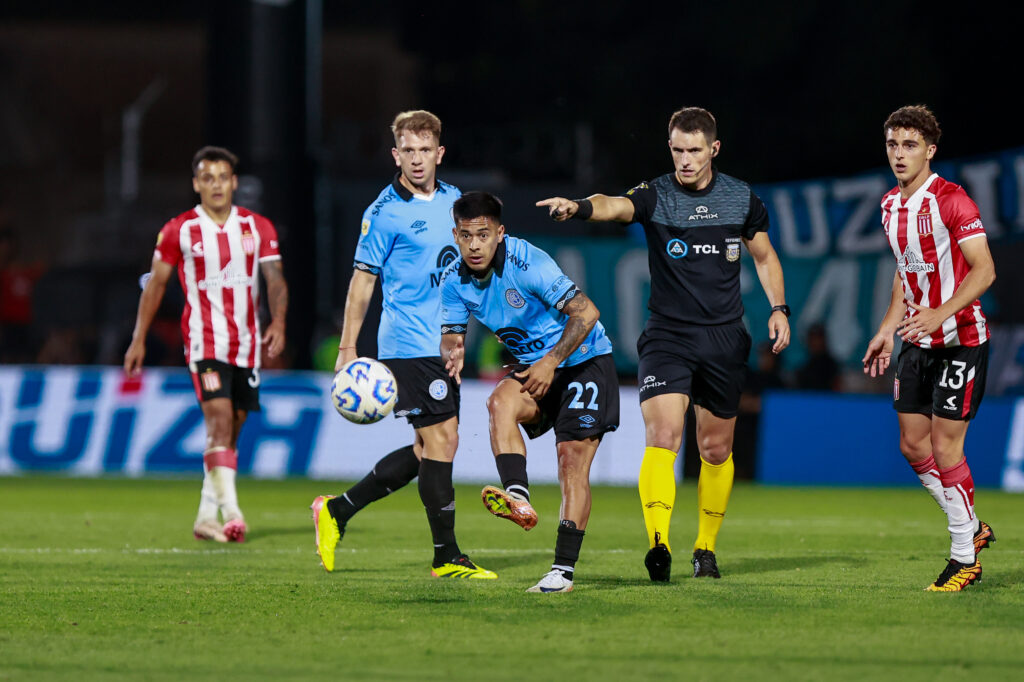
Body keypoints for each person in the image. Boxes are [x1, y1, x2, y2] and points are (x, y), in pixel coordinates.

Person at [538, 106, 790, 582]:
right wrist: (581, 207)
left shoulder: (742, 199)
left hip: (724, 339)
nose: (685, 160)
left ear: (714, 149)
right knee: (664, 437)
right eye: (677, 150)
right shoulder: (657, 195)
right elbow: (615, 204)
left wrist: (779, 309)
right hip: (667, 337)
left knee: (715, 449)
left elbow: (765, 256)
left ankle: (705, 549)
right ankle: (659, 543)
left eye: (694, 150)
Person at [310, 111, 495, 580]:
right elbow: (361, 282)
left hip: (445, 345)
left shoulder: (456, 204)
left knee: (424, 450)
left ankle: (338, 511)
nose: (416, 160)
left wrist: (463, 335)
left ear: (439, 153)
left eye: (424, 150)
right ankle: (446, 555)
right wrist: (349, 347)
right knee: (443, 439)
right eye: (406, 151)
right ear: (396, 154)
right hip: (407, 344)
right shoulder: (383, 213)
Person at [440, 191, 619, 593]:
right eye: (466, 236)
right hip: (540, 368)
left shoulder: (528, 262)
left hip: (584, 361)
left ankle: (562, 572)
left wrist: (551, 361)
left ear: (499, 234)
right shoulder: (454, 281)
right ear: (455, 234)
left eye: (483, 235)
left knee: (571, 461)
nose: (474, 245)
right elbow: (451, 336)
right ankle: (517, 496)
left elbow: (587, 312)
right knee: (498, 401)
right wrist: (453, 352)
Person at [862, 105, 996, 592]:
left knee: (945, 446)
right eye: (894, 145)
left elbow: (984, 269)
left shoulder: (952, 200)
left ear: (930, 150)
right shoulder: (888, 207)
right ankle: (973, 527)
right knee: (913, 445)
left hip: (960, 340)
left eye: (910, 145)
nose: (900, 154)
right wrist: (885, 328)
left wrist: (942, 313)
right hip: (917, 339)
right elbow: (907, 272)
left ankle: (965, 556)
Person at [124, 146, 288, 543]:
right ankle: (231, 513)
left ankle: (204, 515)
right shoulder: (178, 230)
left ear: (233, 182)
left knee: (232, 428)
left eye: (222, 178)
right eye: (207, 178)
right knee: (217, 420)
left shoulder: (258, 227)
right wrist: (138, 338)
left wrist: (279, 321)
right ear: (196, 184)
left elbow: (276, 280)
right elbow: (156, 285)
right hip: (203, 342)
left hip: (246, 345)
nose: (215, 185)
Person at [795, 322, 841, 391]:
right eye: (812, 339)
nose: (815, 342)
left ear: (824, 340)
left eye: (818, 338)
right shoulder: (804, 368)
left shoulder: (832, 367)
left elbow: (837, 389)